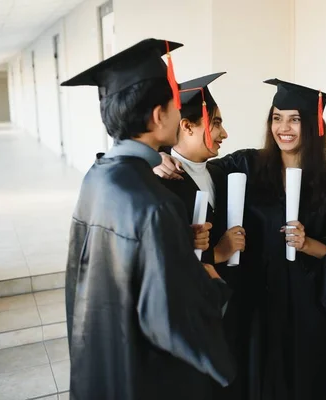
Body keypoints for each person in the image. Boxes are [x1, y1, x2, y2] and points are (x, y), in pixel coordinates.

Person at [157, 78, 326, 400]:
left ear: (312, 125)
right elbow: (192, 167)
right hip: (251, 303)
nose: (284, 128)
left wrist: (307, 243)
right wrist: (157, 157)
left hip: (302, 306)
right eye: (277, 117)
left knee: (295, 383)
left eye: (295, 119)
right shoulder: (245, 165)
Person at [61, 38, 235, 400]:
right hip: (144, 375)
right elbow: (172, 318)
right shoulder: (154, 203)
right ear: (159, 116)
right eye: (174, 106)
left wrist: (174, 240)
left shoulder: (98, 177)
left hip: (101, 359)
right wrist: (213, 282)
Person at [155, 72, 248, 400]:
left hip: (223, 313)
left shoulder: (218, 173)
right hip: (186, 321)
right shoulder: (161, 182)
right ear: (187, 125)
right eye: (217, 122)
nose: (224, 133)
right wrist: (218, 254)